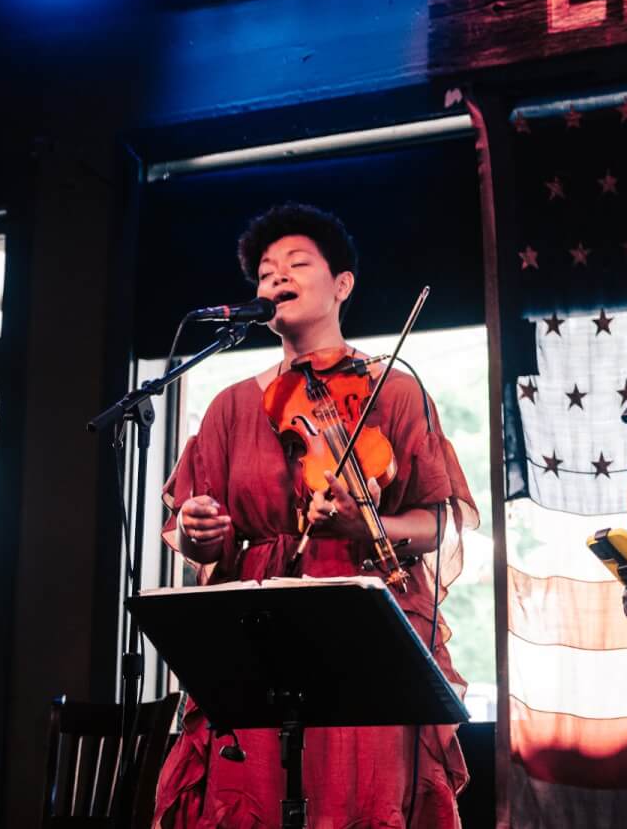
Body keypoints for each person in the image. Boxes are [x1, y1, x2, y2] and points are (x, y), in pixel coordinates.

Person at [155, 203, 478, 828]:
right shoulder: (230, 406)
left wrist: (366, 527)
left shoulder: (395, 389)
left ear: (342, 284)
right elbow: (195, 537)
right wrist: (200, 533)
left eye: (297, 264)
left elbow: (438, 524)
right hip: (258, 627)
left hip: (364, 623)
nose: (277, 277)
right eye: (266, 272)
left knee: (362, 798)